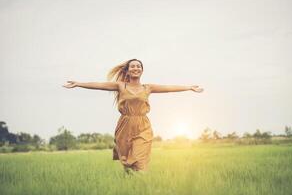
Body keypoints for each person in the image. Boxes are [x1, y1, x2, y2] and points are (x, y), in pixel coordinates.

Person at [62, 59, 204, 175]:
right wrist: (78, 84)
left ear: (142, 70)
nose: (135, 68)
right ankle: (130, 185)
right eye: (132, 66)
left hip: (143, 125)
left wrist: (189, 87)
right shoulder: (120, 85)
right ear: (128, 71)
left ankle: (142, 184)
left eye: (138, 66)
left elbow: (168, 88)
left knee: (140, 161)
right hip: (125, 125)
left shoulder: (148, 88)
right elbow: (99, 85)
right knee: (127, 163)